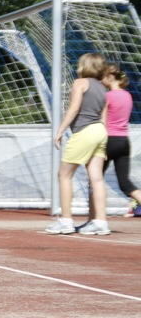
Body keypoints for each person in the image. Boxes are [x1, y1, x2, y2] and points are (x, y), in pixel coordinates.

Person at [46, 53, 109, 235]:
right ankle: (100, 222)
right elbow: (104, 117)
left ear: (85, 66)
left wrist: (59, 130)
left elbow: (74, 108)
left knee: (64, 175)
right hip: (100, 131)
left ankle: (65, 220)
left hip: (84, 132)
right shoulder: (104, 88)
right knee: (96, 178)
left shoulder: (80, 83)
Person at [102, 64, 141, 216]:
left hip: (108, 140)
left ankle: (97, 214)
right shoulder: (127, 95)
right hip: (124, 141)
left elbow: (103, 121)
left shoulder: (107, 96)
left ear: (109, 77)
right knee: (125, 183)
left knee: (95, 178)